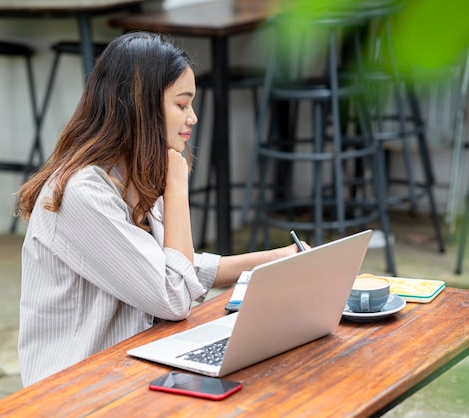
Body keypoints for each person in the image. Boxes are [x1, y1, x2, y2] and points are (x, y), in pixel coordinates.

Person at [15, 31, 305, 387]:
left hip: (130, 366)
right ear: (142, 106)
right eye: (182, 105)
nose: (193, 118)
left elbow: (168, 266)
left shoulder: (131, 173)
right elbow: (172, 294)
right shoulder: (83, 193)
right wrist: (177, 188)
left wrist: (278, 260)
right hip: (76, 390)